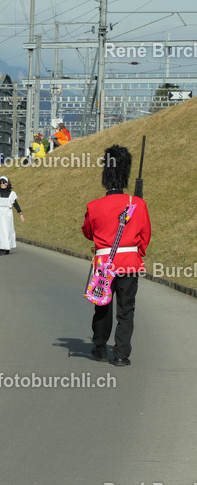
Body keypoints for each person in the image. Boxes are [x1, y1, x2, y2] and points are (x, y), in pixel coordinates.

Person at [82, 146, 151, 367]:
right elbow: (145, 235)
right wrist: (138, 253)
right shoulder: (138, 204)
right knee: (126, 309)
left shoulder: (94, 206)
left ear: (106, 179)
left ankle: (100, 347)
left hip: (104, 263)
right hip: (129, 263)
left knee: (102, 306)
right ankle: (121, 354)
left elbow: (88, 232)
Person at [0, 176, 25, 255]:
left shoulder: (12, 194)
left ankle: (7, 247)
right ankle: (0, 248)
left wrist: (20, 213)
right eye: (1, 183)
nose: (2, 184)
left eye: (4, 183)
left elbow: (15, 204)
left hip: (7, 214)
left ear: (7, 184)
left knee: (7, 230)